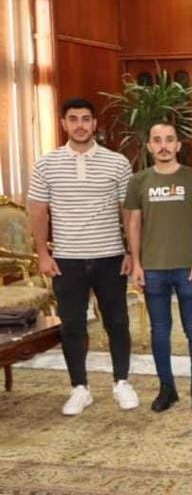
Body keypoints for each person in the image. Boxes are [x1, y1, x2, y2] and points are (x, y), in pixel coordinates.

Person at [26, 98, 136, 415]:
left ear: (94, 123)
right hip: (67, 260)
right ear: (64, 123)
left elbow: (129, 212)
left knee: (117, 321)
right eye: (73, 119)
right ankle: (79, 388)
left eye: (86, 119)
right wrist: (42, 253)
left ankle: (121, 382)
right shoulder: (46, 164)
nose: (80, 125)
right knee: (72, 326)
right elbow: (37, 211)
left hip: (110, 257)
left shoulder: (117, 163)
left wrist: (131, 252)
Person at [124, 121, 192, 412]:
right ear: (149, 146)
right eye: (157, 140)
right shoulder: (139, 181)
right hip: (153, 269)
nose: (163, 146)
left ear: (178, 145)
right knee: (160, 331)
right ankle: (167, 388)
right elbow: (133, 224)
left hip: (188, 267)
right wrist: (136, 263)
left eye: (169, 140)